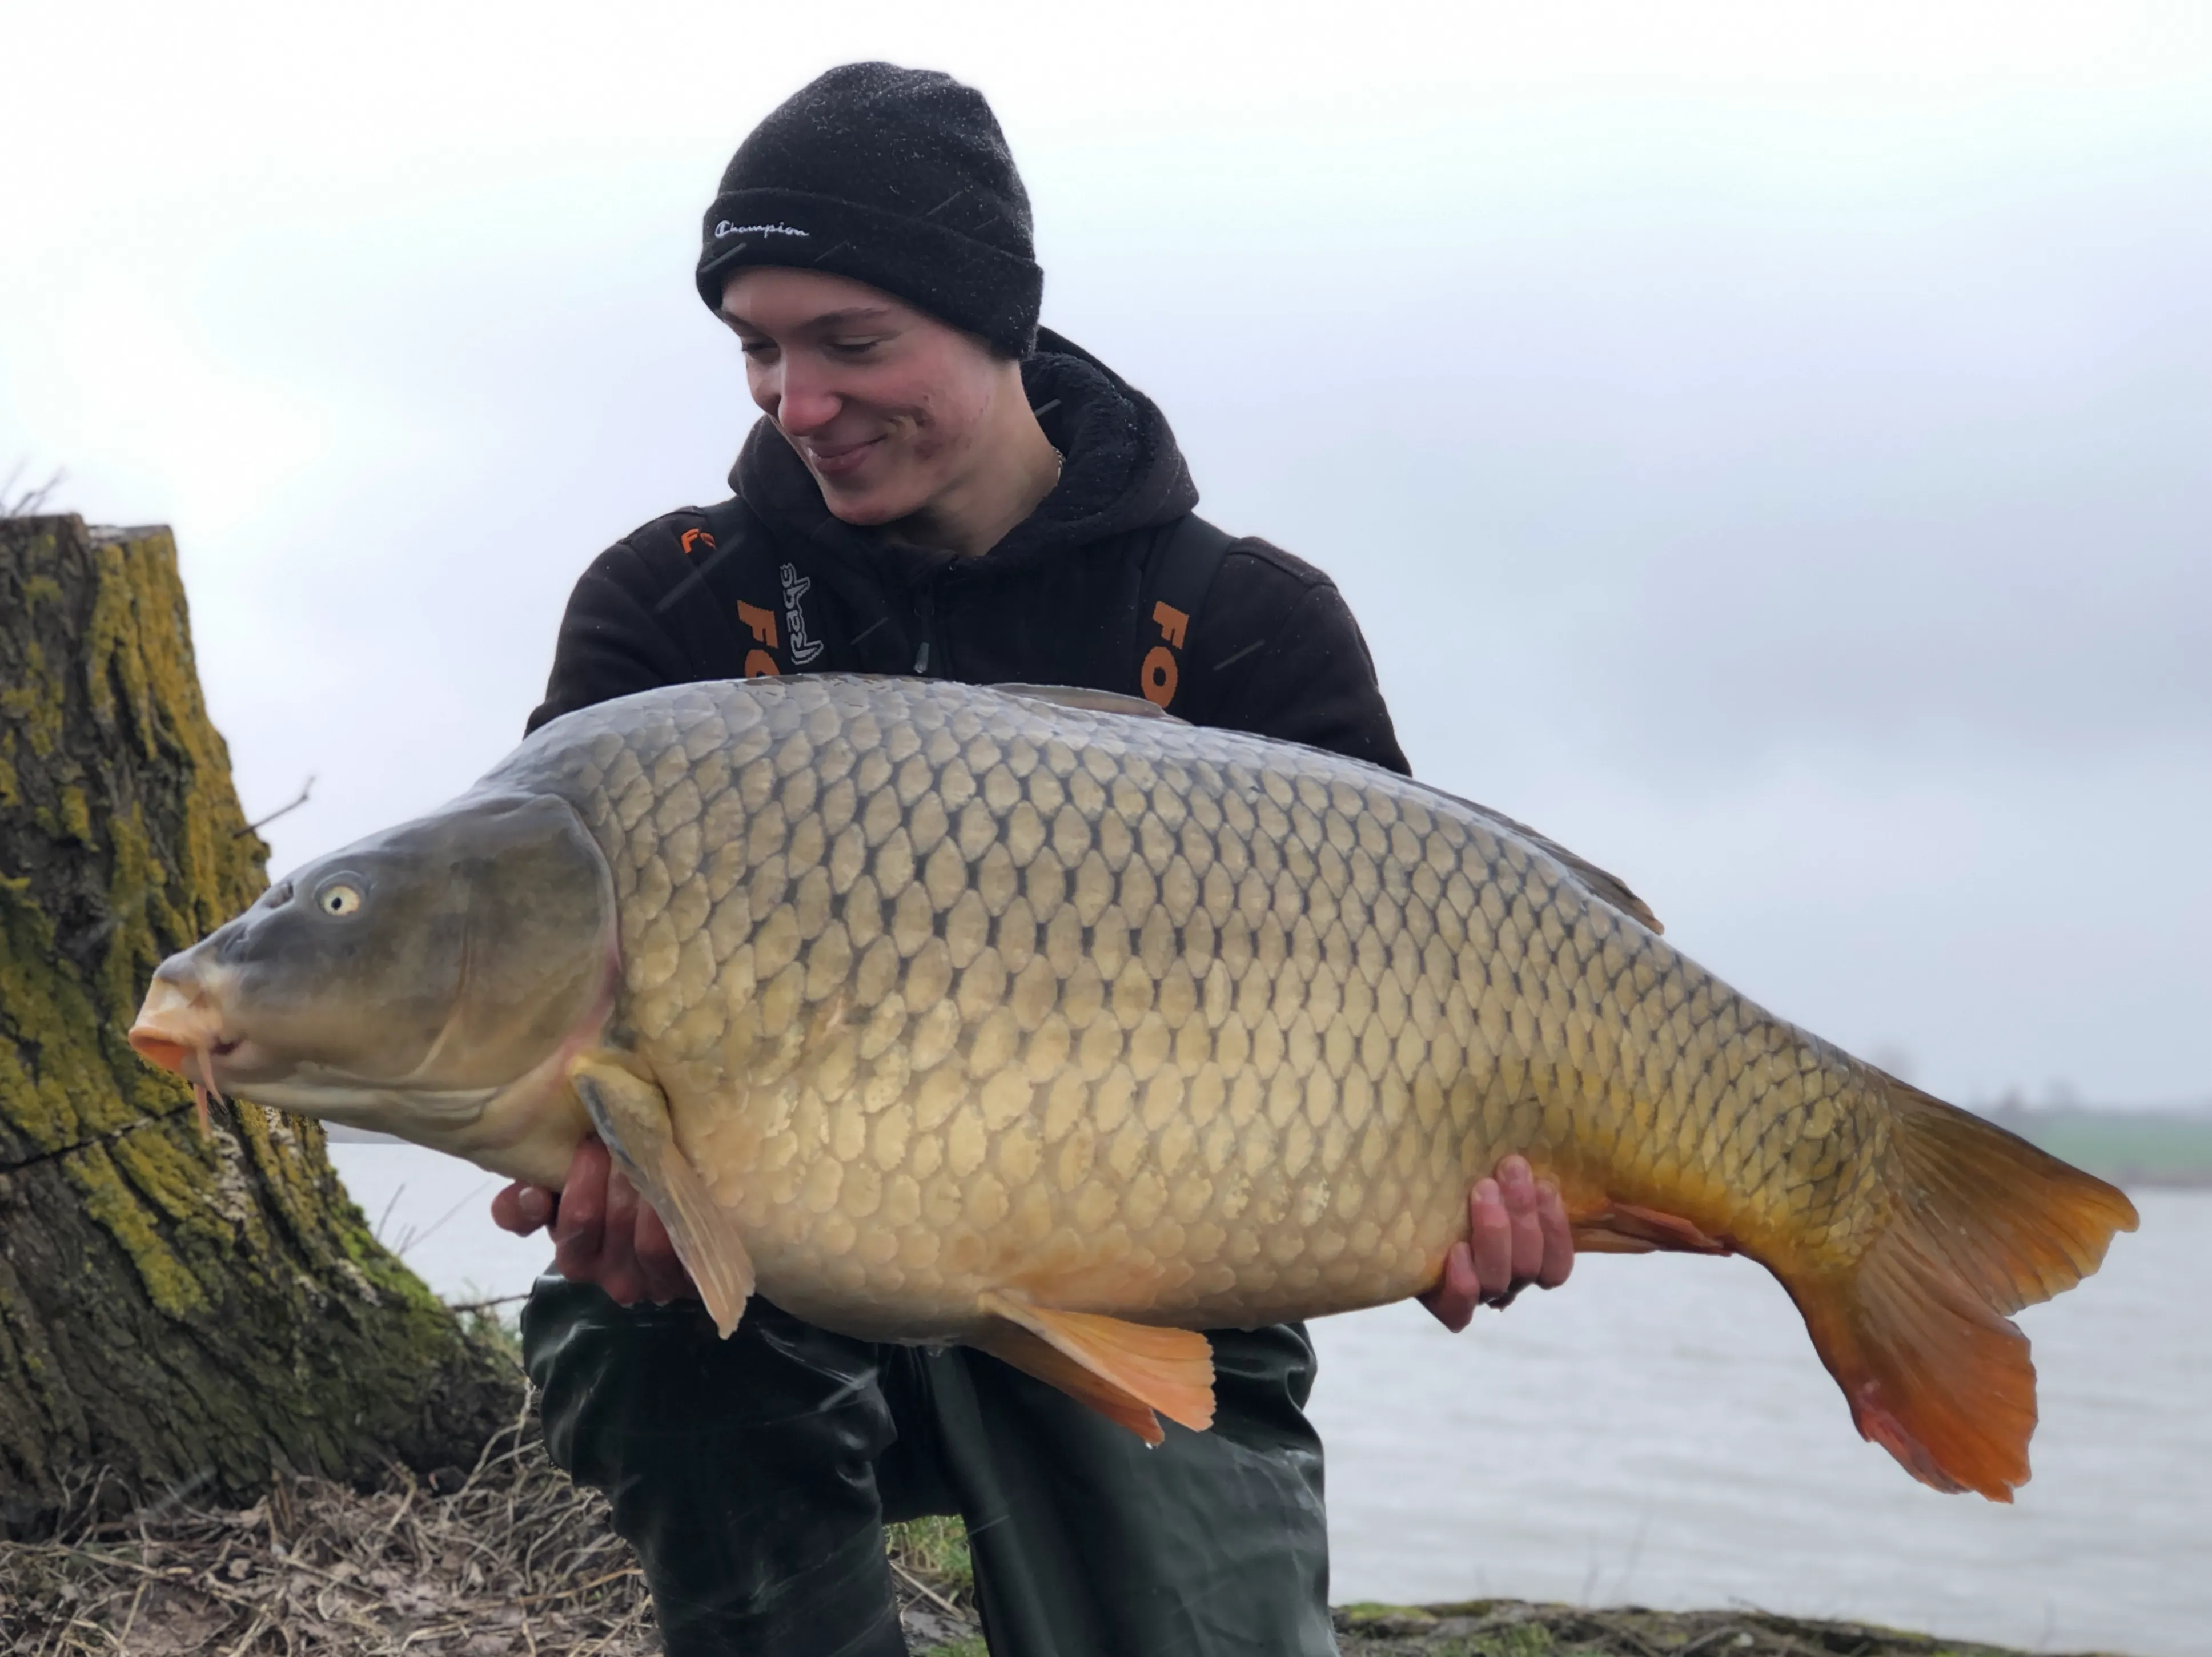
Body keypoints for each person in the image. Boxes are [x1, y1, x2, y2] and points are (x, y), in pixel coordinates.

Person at [491, 62, 1575, 1657]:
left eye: (853, 343)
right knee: (646, 1334)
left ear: (998, 322)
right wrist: (576, 1170)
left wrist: (1479, 1197)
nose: (798, 404)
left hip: (1152, 1295)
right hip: (770, 1285)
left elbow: (1411, 1025)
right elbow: (548, 987)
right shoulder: (667, 611)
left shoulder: (1247, 623)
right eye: (759, 350)